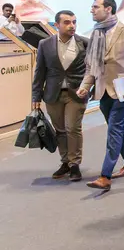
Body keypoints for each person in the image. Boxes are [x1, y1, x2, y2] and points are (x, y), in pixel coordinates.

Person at [78, 0, 124, 192]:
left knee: (114, 129)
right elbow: (92, 65)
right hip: (103, 90)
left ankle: (105, 175)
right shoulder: (96, 34)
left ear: (108, 9)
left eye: (95, 7)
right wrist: (85, 85)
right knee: (117, 127)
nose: (92, 10)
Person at [31, 10, 89, 182]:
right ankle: (65, 162)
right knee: (60, 130)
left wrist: (89, 86)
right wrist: (35, 97)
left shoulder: (85, 43)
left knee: (73, 128)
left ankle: (75, 164)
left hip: (76, 93)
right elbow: (40, 71)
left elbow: (92, 68)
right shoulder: (45, 44)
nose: (72, 25)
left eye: (74, 21)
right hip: (52, 93)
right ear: (56, 24)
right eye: (67, 22)